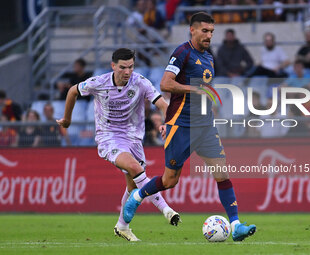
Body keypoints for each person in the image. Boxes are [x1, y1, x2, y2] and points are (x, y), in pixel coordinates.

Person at [123, 12, 256, 242]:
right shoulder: (182, 53)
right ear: (192, 30)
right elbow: (165, 83)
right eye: (205, 31)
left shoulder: (208, 57)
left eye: (212, 32)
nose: (209, 35)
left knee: (222, 173)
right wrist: (193, 89)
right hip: (181, 125)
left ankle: (235, 226)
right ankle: (138, 195)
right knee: (169, 181)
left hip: (204, 125)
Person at [56, 48, 179, 242]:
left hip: (134, 139)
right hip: (108, 137)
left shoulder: (140, 82)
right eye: (122, 67)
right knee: (134, 168)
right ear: (113, 66)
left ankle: (122, 226)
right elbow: (72, 91)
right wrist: (67, 120)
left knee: (132, 186)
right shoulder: (99, 82)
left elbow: (162, 104)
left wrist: (167, 122)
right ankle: (167, 210)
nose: (127, 72)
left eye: (130, 67)